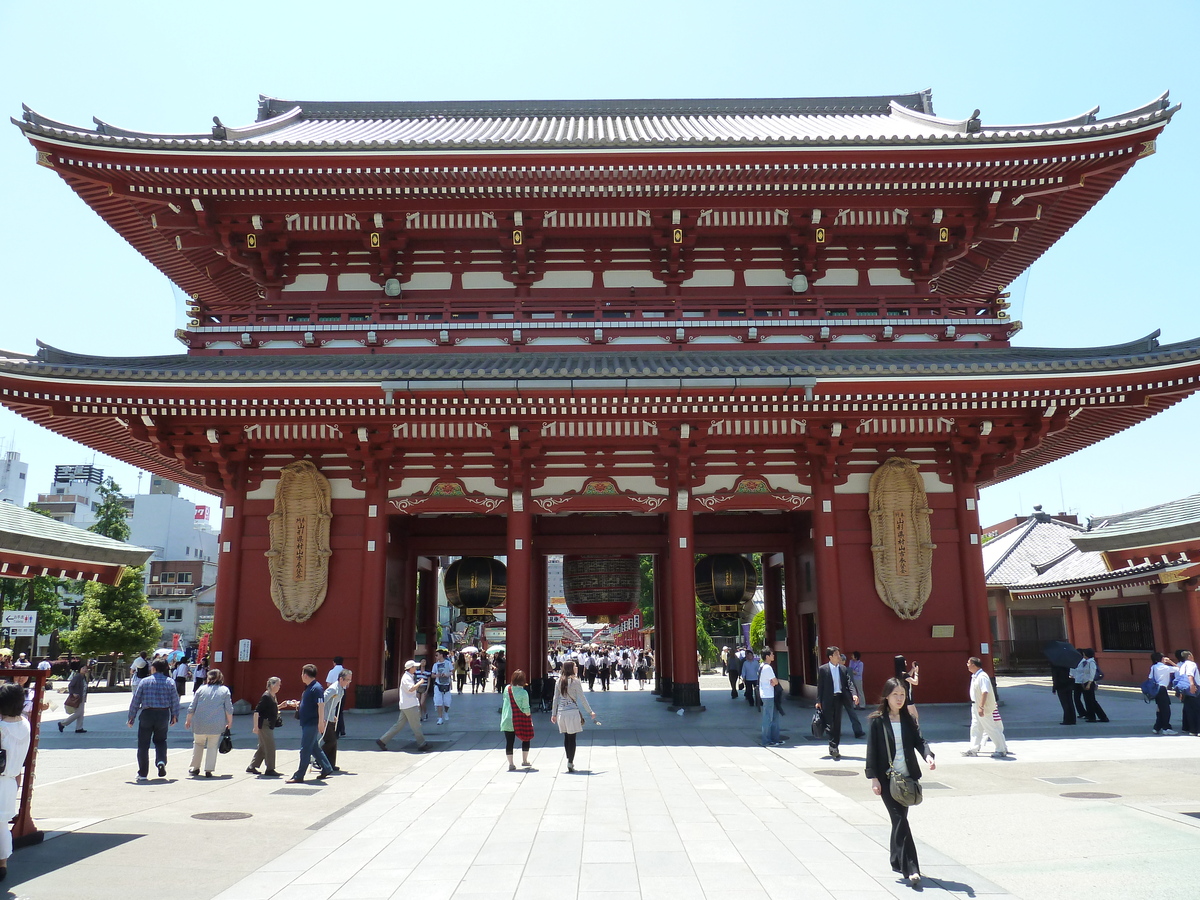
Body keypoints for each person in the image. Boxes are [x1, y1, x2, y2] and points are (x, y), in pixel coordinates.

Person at [865, 677, 936, 888]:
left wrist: (928, 755)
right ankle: (912, 868)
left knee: (899, 820)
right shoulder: (877, 720)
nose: (899, 698)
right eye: (895, 694)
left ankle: (896, 860)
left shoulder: (907, 719)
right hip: (887, 779)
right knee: (900, 820)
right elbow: (871, 751)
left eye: (902, 695)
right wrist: (873, 778)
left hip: (907, 779)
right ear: (887, 696)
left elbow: (919, 741)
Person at [127, 658, 180, 782]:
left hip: (147, 714)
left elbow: (136, 700)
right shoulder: (170, 682)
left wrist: (131, 717)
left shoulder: (145, 682)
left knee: (143, 744)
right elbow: (175, 700)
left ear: (154, 668)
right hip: (163, 714)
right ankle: (161, 761)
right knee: (161, 740)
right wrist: (175, 715)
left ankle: (143, 773)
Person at [0, 683, 31, 882]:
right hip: (11, 781)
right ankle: (2, 862)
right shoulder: (25, 724)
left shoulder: (1, 727)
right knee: (2, 824)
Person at [287, 664, 333, 783]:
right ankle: (326, 767)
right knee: (313, 747)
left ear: (306, 675)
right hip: (307, 722)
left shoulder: (316, 688)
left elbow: (321, 705)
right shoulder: (309, 687)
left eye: (302, 674)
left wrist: (321, 722)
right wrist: (298, 704)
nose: (301, 676)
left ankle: (299, 775)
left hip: (312, 723)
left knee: (305, 749)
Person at [185, 668, 234, 777]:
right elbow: (228, 708)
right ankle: (208, 769)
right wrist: (229, 721)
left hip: (199, 723)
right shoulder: (224, 690)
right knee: (212, 746)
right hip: (216, 723)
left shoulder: (201, 689)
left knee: (198, 744)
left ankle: (195, 767)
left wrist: (188, 720)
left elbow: (192, 706)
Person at [816, 647, 862, 760]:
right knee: (829, 724)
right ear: (830, 656)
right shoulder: (823, 669)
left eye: (839, 654)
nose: (839, 656)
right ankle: (833, 746)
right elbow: (820, 686)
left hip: (839, 698)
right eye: (836, 654)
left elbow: (849, 683)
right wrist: (818, 701)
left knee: (837, 724)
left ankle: (834, 747)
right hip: (827, 699)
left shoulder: (843, 669)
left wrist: (854, 694)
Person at [550, 660, 596, 773]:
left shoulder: (558, 681)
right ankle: (570, 761)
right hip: (572, 712)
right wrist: (590, 712)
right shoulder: (575, 681)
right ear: (571, 668)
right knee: (572, 738)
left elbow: (555, 698)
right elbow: (582, 698)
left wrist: (553, 714)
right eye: (575, 666)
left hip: (561, 712)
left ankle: (568, 759)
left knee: (566, 737)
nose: (576, 668)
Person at [376, 660, 430, 752]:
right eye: (414, 667)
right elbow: (411, 689)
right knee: (416, 725)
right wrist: (420, 682)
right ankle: (422, 744)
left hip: (406, 705)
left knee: (399, 725)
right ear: (411, 668)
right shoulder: (407, 678)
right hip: (410, 705)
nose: (416, 668)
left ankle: (383, 740)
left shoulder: (408, 676)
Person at [962, 657, 1008, 759]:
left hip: (982, 706)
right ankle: (973, 749)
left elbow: (985, 691)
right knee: (975, 728)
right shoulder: (975, 676)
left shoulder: (982, 676)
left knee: (990, 728)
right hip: (975, 705)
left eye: (968, 663)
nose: (967, 665)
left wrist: (981, 706)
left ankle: (1001, 749)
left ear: (974, 665)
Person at [247, 676, 284, 777]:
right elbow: (257, 712)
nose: (279, 686)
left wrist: (281, 706)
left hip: (269, 723)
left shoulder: (273, 696)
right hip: (264, 724)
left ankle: (252, 766)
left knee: (263, 746)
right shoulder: (266, 696)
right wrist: (255, 727)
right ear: (272, 685)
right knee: (270, 746)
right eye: (278, 684)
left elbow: (271, 709)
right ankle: (270, 768)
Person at [501, 669, 534, 771]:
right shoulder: (523, 693)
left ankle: (511, 764)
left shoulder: (507, 689)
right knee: (526, 738)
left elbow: (504, 700)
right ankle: (524, 760)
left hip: (507, 719)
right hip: (519, 720)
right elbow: (526, 710)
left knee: (509, 742)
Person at [322, 668, 352, 768]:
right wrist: (322, 718)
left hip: (330, 717)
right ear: (341, 679)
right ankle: (317, 758)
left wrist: (333, 715)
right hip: (325, 718)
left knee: (334, 741)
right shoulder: (333, 688)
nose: (349, 682)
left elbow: (334, 705)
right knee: (331, 741)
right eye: (347, 680)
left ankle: (330, 764)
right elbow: (322, 702)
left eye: (350, 680)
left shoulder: (341, 689)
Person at [1070, 648, 1109, 723]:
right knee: (1089, 701)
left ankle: (1097, 717)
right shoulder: (1086, 662)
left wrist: (1089, 684)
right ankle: (1096, 716)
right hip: (1084, 682)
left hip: (1089, 683)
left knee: (1091, 701)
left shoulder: (1091, 662)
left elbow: (1092, 674)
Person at [1148, 652, 1179, 735]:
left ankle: (1157, 727)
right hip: (1162, 689)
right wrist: (1170, 662)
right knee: (1166, 710)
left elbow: (1150, 677)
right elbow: (1178, 668)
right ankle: (1166, 728)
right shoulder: (1165, 667)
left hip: (1156, 689)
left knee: (1159, 708)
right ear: (1161, 658)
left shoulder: (1153, 667)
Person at [759, 648, 782, 746]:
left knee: (773, 717)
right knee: (768, 718)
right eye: (772, 654)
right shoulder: (768, 668)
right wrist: (774, 682)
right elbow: (775, 681)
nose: (773, 656)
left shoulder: (762, 666)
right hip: (768, 695)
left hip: (767, 694)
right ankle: (766, 740)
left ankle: (774, 738)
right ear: (767, 656)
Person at [59, 661, 89, 733]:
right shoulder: (77, 677)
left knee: (81, 713)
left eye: (86, 668)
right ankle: (63, 723)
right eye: (83, 668)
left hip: (82, 697)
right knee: (78, 713)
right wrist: (73, 693)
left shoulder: (84, 677)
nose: (85, 669)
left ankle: (79, 728)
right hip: (77, 697)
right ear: (80, 669)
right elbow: (70, 686)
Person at [1176, 650, 1200, 736]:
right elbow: (1190, 675)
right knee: (1197, 709)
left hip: (1184, 689)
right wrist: (1192, 685)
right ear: (1189, 656)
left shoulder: (1183, 665)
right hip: (1193, 687)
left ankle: (1192, 729)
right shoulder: (1191, 664)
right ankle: (1198, 729)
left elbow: (1181, 678)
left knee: (1189, 710)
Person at [431, 649, 454, 725]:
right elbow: (432, 675)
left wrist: (448, 674)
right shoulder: (435, 665)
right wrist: (436, 675)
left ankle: (446, 712)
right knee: (438, 701)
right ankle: (440, 718)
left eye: (437, 655)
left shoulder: (448, 663)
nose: (436, 657)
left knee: (447, 702)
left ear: (441, 655)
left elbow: (452, 671)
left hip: (446, 684)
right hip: (438, 684)